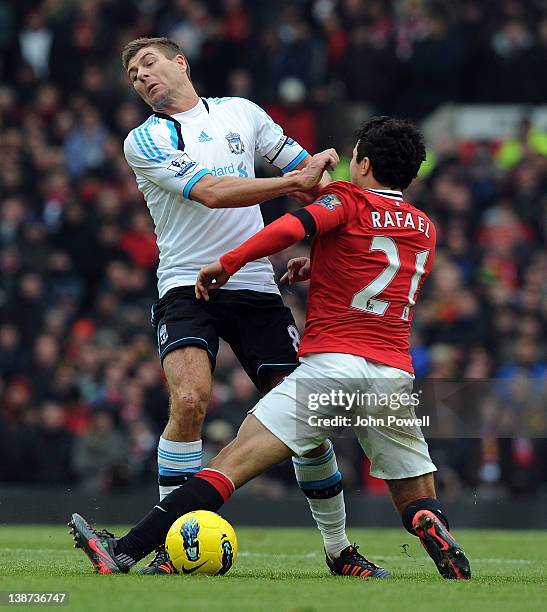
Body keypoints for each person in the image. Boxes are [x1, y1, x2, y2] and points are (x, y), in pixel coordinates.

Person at [70, 117, 471, 579]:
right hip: (392, 377)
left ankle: (121, 550)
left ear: (362, 162)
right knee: (414, 491)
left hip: (331, 369)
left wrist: (230, 260)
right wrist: (321, 266)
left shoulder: (346, 199)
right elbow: (375, 270)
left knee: (224, 468)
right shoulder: (424, 228)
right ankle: (429, 522)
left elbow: (289, 227)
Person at [117, 37, 360, 575]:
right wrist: (292, 182)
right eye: (134, 74)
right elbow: (211, 192)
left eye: (149, 64)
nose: (142, 77)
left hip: (253, 283)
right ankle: (168, 547)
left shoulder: (242, 115)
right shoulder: (145, 140)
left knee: (304, 420)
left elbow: (318, 186)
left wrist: (321, 246)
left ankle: (339, 550)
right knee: (189, 400)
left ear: (180, 62)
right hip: (185, 284)